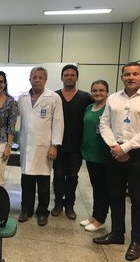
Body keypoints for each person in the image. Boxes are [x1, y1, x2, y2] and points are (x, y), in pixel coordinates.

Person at [93, 62, 140, 261]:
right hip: (114, 151)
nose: (131, 77)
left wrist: (126, 147)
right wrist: (115, 146)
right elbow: (104, 123)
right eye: (127, 74)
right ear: (122, 77)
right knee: (115, 195)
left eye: (135, 74)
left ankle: (136, 241)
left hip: (138, 154)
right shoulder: (113, 98)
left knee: (138, 199)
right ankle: (117, 234)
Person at [17, 67, 64, 226]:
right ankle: (26, 210)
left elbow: (58, 123)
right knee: (26, 181)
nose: (37, 80)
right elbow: (18, 120)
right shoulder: (22, 97)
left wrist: (54, 146)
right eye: (34, 77)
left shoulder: (54, 97)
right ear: (29, 79)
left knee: (43, 183)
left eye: (40, 77)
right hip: (26, 146)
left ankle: (42, 212)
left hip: (45, 147)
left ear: (45, 80)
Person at [51, 64, 93, 219]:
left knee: (73, 176)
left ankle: (70, 205)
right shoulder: (54, 96)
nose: (69, 77)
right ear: (62, 77)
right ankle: (58, 203)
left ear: (76, 77)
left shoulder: (86, 97)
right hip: (58, 145)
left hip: (77, 146)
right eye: (66, 75)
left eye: (72, 75)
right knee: (58, 175)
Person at [80, 80, 110, 232]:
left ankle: (100, 219)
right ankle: (94, 215)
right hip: (90, 154)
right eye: (95, 90)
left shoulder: (109, 109)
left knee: (102, 189)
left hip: (103, 155)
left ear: (107, 92)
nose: (98, 93)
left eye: (101, 90)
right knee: (96, 187)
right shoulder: (89, 108)